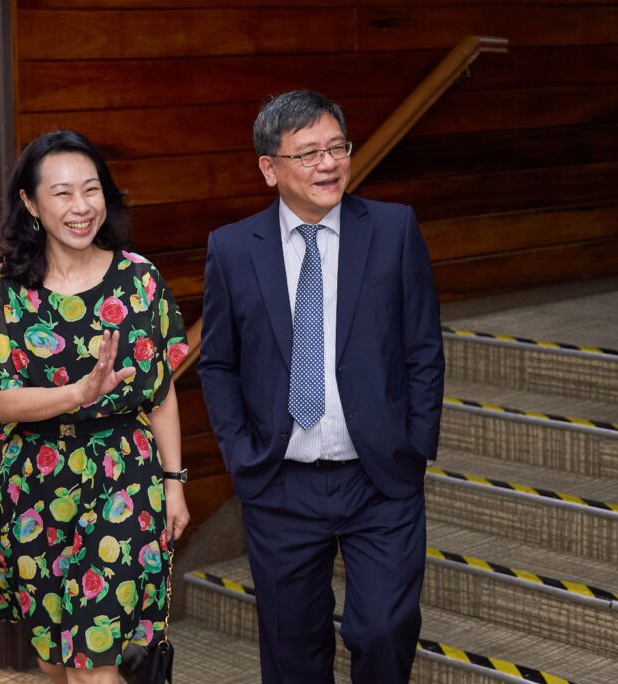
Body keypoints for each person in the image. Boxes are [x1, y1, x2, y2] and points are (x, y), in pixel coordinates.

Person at [198, 90, 444, 683]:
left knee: (384, 630)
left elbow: (423, 348)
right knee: (293, 650)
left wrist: (414, 445)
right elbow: (218, 363)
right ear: (269, 168)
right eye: (309, 154)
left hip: (378, 478)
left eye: (338, 147)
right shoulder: (233, 248)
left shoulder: (393, 228)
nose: (329, 164)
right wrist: (240, 453)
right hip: (280, 482)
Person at [0, 130, 190, 684]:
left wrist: (174, 482)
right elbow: (1, 399)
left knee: (94, 664)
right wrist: (78, 393)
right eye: (62, 193)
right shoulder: (3, 290)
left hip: (124, 478)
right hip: (36, 485)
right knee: (55, 661)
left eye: (91, 190)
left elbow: (161, 391)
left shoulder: (139, 280)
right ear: (30, 203)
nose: (81, 206)